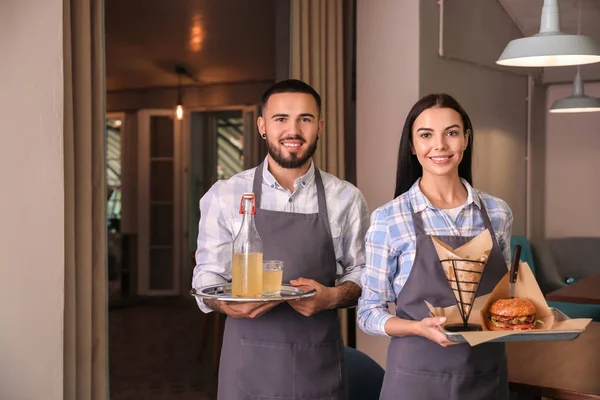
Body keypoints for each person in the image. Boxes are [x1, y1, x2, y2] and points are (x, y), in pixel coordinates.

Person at [193, 79, 369, 400]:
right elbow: (207, 278)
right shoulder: (226, 194)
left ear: (320, 127)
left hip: (319, 367)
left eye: (305, 118)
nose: (293, 130)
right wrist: (225, 303)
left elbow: (362, 275)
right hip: (248, 368)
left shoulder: (346, 198)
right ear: (263, 126)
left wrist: (332, 297)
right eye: (280, 119)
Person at [357, 93, 513, 400]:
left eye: (451, 133)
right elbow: (367, 313)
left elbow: (506, 296)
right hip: (416, 380)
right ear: (413, 146)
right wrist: (418, 328)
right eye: (426, 135)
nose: (439, 145)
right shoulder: (389, 219)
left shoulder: (497, 212)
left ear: (466, 139)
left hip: (486, 376)